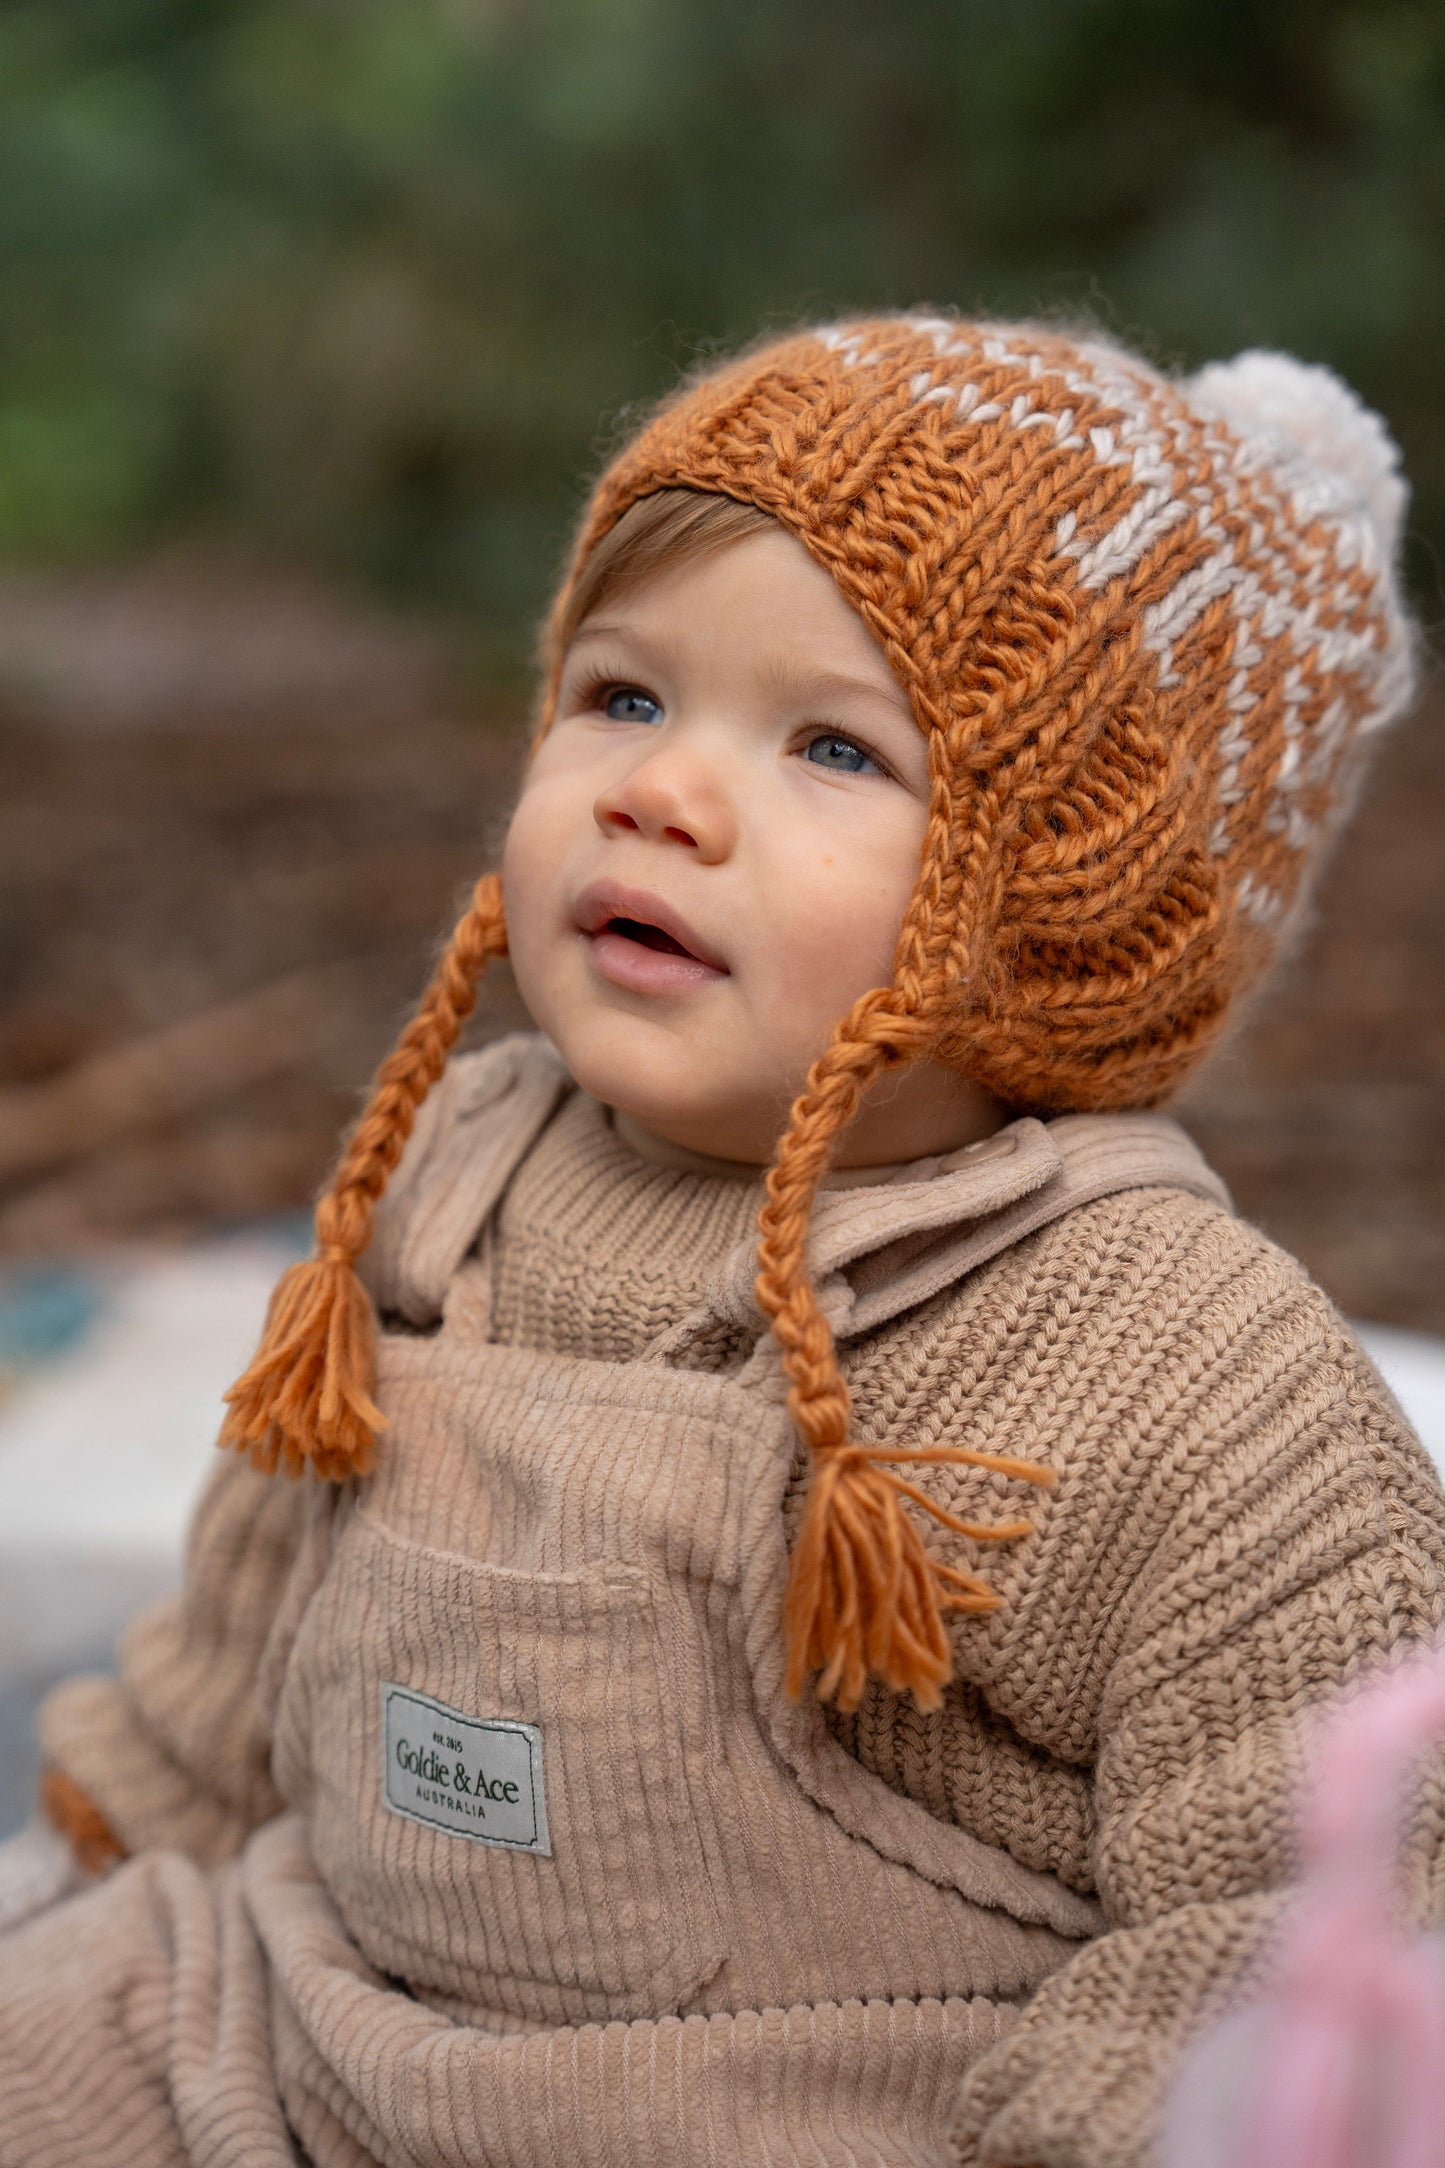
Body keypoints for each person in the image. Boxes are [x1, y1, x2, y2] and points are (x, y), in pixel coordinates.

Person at [0, 312, 1440, 2168]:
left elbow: (1306, 1878)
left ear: (1074, 911)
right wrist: (134, 1820)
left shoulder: (1164, 1359)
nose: (657, 790)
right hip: (308, 2011)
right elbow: (264, 1587)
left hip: (798, 2106)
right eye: (620, 694)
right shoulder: (461, 1161)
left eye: (832, 747)